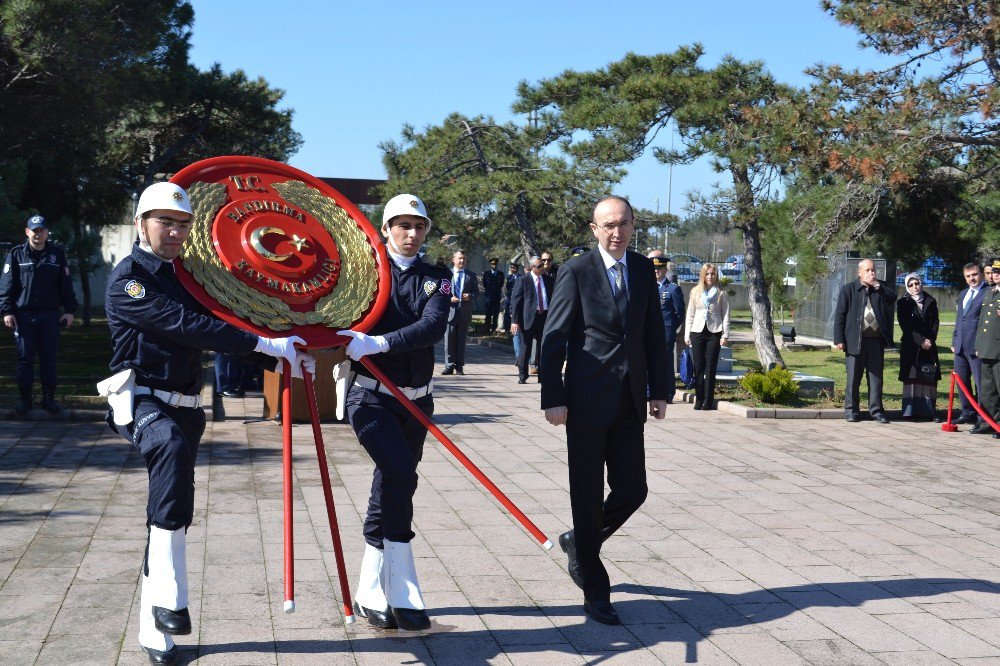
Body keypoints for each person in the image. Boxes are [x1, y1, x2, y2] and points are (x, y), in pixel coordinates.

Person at [102, 182, 312, 664]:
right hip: (142, 399)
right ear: (141, 223)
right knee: (169, 453)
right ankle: (172, 599)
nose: (174, 232)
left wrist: (290, 344)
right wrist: (262, 346)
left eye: (181, 224)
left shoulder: (188, 276)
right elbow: (188, 325)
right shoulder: (129, 279)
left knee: (172, 501)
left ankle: (156, 634)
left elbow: (227, 311)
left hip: (185, 403)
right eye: (164, 222)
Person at [540, 196, 668, 626]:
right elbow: (554, 336)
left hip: (630, 400)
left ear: (634, 226)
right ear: (594, 229)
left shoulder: (642, 271)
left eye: (624, 224)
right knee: (587, 494)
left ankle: (580, 541)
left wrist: (661, 390)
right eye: (608, 225)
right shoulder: (576, 271)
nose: (617, 232)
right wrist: (552, 396)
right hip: (585, 402)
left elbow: (654, 334)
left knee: (633, 490)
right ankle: (595, 588)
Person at [336, 193, 450, 630]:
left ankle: (371, 589)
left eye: (418, 226)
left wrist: (379, 343)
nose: (411, 234)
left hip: (417, 399)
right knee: (400, 473)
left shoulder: (436, 277)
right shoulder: (363, 276)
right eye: (402, 225)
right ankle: (404, 590)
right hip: (371, 397)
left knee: (394, 481)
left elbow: (433, 325)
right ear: (385, 229)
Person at [0, 215, 78, 415]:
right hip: (23, 316)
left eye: (41, 230)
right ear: (27, 232)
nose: (38, 233)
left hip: (50, 316)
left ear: (47, 232)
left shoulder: (57, 255)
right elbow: (6, 286)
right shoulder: (16, 255)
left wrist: (69, 310)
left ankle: (48, 399)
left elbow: (66, 285)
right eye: (34, 230)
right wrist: (7, 311)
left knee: (49, 358)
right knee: (25, 359)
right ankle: (25, 401)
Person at [834, 258, 895, 423]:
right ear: (859, 272)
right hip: (855, 341)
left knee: (876, 379)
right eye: (867, 270)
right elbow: (840, 315)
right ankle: (851, 411)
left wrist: (877, 286)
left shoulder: (880, 288)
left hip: (876, 342)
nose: (871, 273)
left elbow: (892, 298)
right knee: (853, 378)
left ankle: (876, 411)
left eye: (873, 270)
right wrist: (839, 339)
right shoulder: (849, 289)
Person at [683, 263, 730, 410]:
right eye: (708, 274)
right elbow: (690, 314)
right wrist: (687, 333)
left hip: (714, 332)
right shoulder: (695, 292)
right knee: (698, 366)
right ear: (703, 275)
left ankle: (708, 401)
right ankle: (699, 398)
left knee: (710, 366)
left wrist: (725, 334)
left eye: (713, 274)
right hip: (697, 332)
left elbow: (726, 315)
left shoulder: (721, 293)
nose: (710, 277)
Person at [897, 273, 941, 421]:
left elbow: (935, 322)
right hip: (912, 345)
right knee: (912, 377)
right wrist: (921, 341)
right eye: (911, 285)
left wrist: (930, 340)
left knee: (928, 376)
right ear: (907, 287)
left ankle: (929, 411)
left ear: (921, 283)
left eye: (917, 284)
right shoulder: (903, 302)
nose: (914, 287)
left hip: (929, 346)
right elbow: (906, 326)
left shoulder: (931, 300)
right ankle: (910, 411)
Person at [953, 262, 987, 427]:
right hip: (959, 347)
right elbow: (960, 319)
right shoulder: (963, 293)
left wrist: (982, 345)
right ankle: (968, 412)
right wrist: (954, 340)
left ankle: (983, 418)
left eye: (974, 274)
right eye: (968, 276)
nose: (972, 278)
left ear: (980, 274)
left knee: (980, 384)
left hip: (977, 347)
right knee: (962, 382)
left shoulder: (988, 292)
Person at [510, 256, 554, 384]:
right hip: (528, 318)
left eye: (543, 265)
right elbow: (516, 301)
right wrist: (514, 321)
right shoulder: (523, 280)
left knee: (543, 347)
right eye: (539, 266)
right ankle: (523, 375)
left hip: (544, 317)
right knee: (526, 347)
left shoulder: (548, 280)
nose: (543, 268)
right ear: (532, 268)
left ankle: (542, 375)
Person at [649, 251, 684, 402]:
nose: (656, 271)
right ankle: (649, 391)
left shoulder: (673, 289)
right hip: (649, 331)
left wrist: (670, 326)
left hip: (665, 330)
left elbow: (679, 313)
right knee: (649, 362)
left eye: (660, 268)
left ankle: (668, 392)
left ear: (665, 269)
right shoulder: (647, 287)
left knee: (666, 363)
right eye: (654, 268)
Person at [974, 259, 1000, 439]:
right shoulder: (990, 292)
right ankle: (989, 422)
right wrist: (978, 345)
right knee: (987, 389)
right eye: (995, 271)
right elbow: (982, 321)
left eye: (999, 272)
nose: (996, 274)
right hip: (987, 348)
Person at [442, 249, 478, 375]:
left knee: (461, 340)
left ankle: (459, 366)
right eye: (459, 258)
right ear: (454, 260)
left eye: (464, 258)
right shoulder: (447, 274)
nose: (462, 260)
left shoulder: (471, 275)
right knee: (449, 340)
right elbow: (440, 292)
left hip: (464, 312)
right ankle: (449, 365)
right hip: (450, 312)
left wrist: (470, 296)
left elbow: (476, 293)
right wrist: (449, 298)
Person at [503, 261, 523, 363]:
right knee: (508, 318)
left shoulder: (520, 277)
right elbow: (507, 288)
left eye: (514, 267)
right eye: (511, 267)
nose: (512, 269)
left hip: (516, 301)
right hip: (509, 300)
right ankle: (507, 331)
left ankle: (520, 357)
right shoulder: (509, 277)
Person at [481, 257, 504, 332]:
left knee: (495, 313)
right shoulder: (487, 273)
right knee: (488, 313)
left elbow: (501, 284)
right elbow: (484, 284)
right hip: (488, 297)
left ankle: (494, 329)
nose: (494, 265)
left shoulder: (501, 273)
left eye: (495, 264)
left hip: (497, 296)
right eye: (492, 264)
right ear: (490, 264)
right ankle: (486, 329)